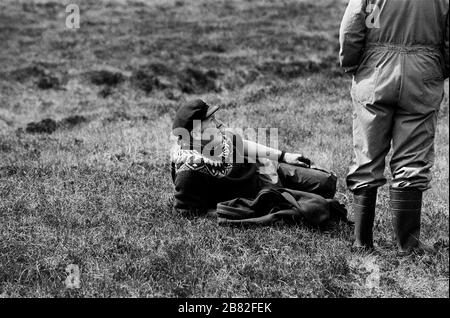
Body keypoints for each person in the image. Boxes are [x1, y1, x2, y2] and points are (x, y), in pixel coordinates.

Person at [339, 0, 449, 254]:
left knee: (367, 155)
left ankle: (362, 242)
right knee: (413, 159)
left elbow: (351, 28)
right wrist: (436, 68)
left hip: (375, 69)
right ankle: (408, 247)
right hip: (423, 69)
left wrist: (353, 64)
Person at [170, 99, 337, 217]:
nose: (218, 123)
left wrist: (284, 156)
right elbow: (187, 213)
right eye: (211, 120)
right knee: (321, 205)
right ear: (195, 133)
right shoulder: (190, 169)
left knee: (327, 181)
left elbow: (242, 144)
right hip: (263, 195)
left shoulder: (216, 137)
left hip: (266, 171)